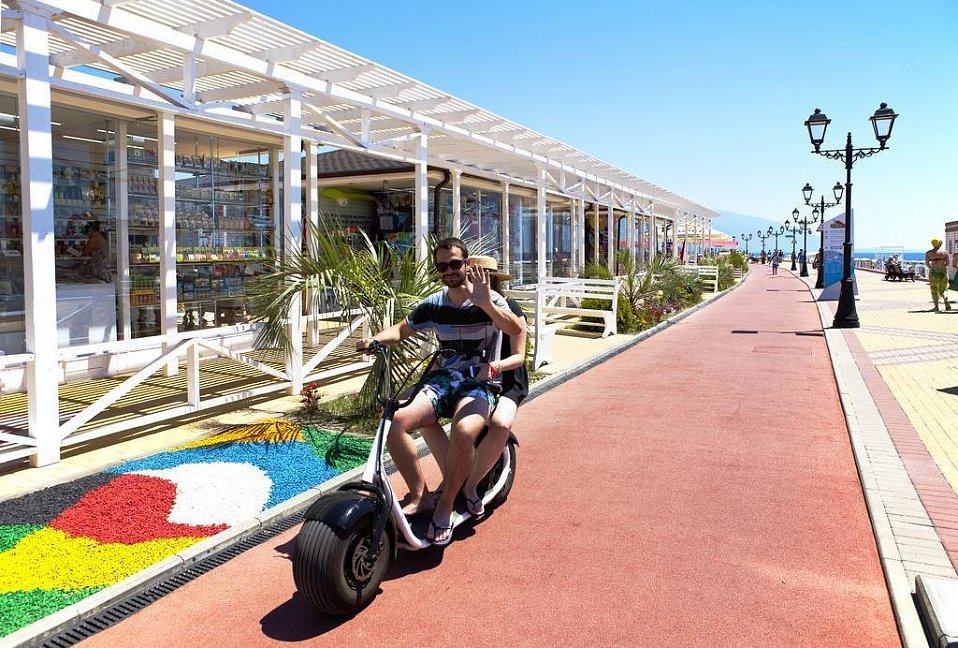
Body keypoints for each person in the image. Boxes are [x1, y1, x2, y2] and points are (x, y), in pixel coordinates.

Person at [356, 238, 523, 545]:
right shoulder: (434, 303)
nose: (449, 271)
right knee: (394, 419)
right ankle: (420, 495)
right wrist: (375, 340)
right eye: (442, 266)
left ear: (467, 264)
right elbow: (402, 329)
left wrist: (485, 302)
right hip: (444, 379)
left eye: (455, 264)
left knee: (464, 430)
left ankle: (446, 504)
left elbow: (514, 329)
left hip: (479, 381)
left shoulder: (490, 298)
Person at [417, 255, 528, 519]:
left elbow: (519, 355)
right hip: (469, 376)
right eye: (473, 274)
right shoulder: (460, 305)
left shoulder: (508, 307)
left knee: (501, 423)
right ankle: (450, 476)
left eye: (484, 276)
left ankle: (470, 485)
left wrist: (493, 368)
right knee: (422, 414)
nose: (478, 280)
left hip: (505, 375)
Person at [81, 218, 111, 283]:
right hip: (103, 270)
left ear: (90, 230)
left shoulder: (93, 240)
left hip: (98, 271)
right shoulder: (101, 238)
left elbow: (84, 255)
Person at [925, 238, 950, 311]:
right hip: (943, 271)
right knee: (944, 288)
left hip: (933, 272)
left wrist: (932, 267)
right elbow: (947, 263)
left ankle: (936, 307)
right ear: (939, 243)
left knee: (934, 289)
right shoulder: (945, 252)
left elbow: (927, 264)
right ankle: (946, 301)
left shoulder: (929, 253)